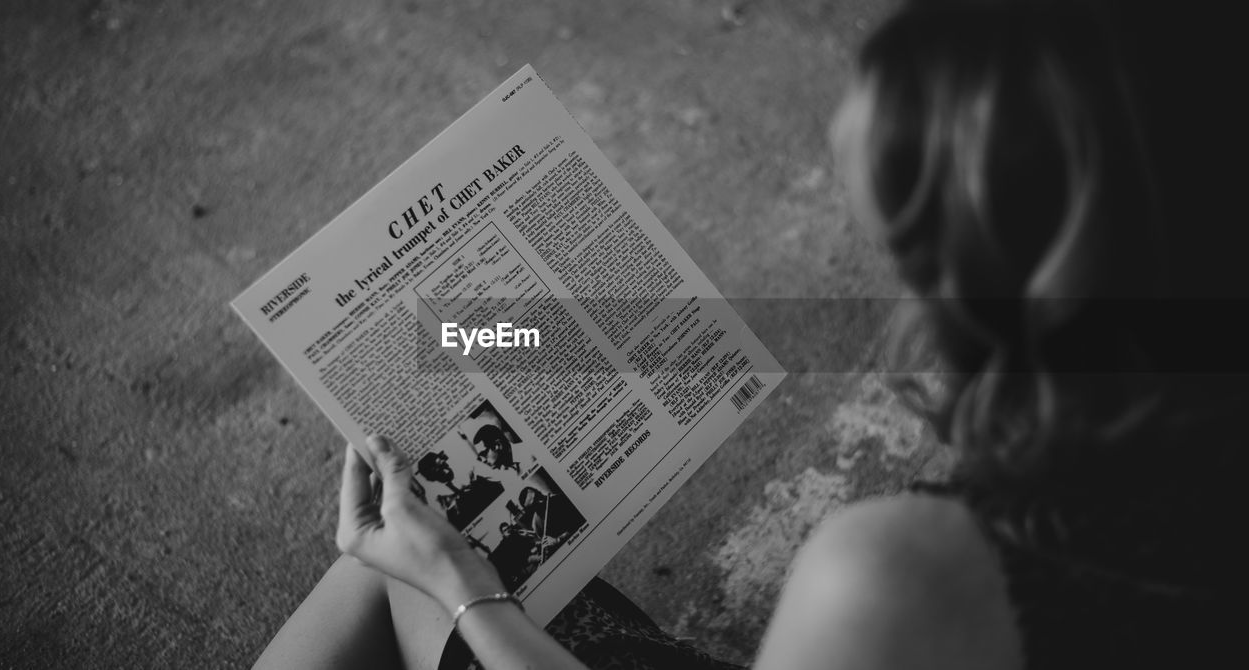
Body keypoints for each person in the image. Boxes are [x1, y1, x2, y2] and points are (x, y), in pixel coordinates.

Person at [253, 1, 1241, 668]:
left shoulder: (903, 579)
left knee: (415, 563)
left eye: (909, 256)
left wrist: (466, 593)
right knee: (413, 541)